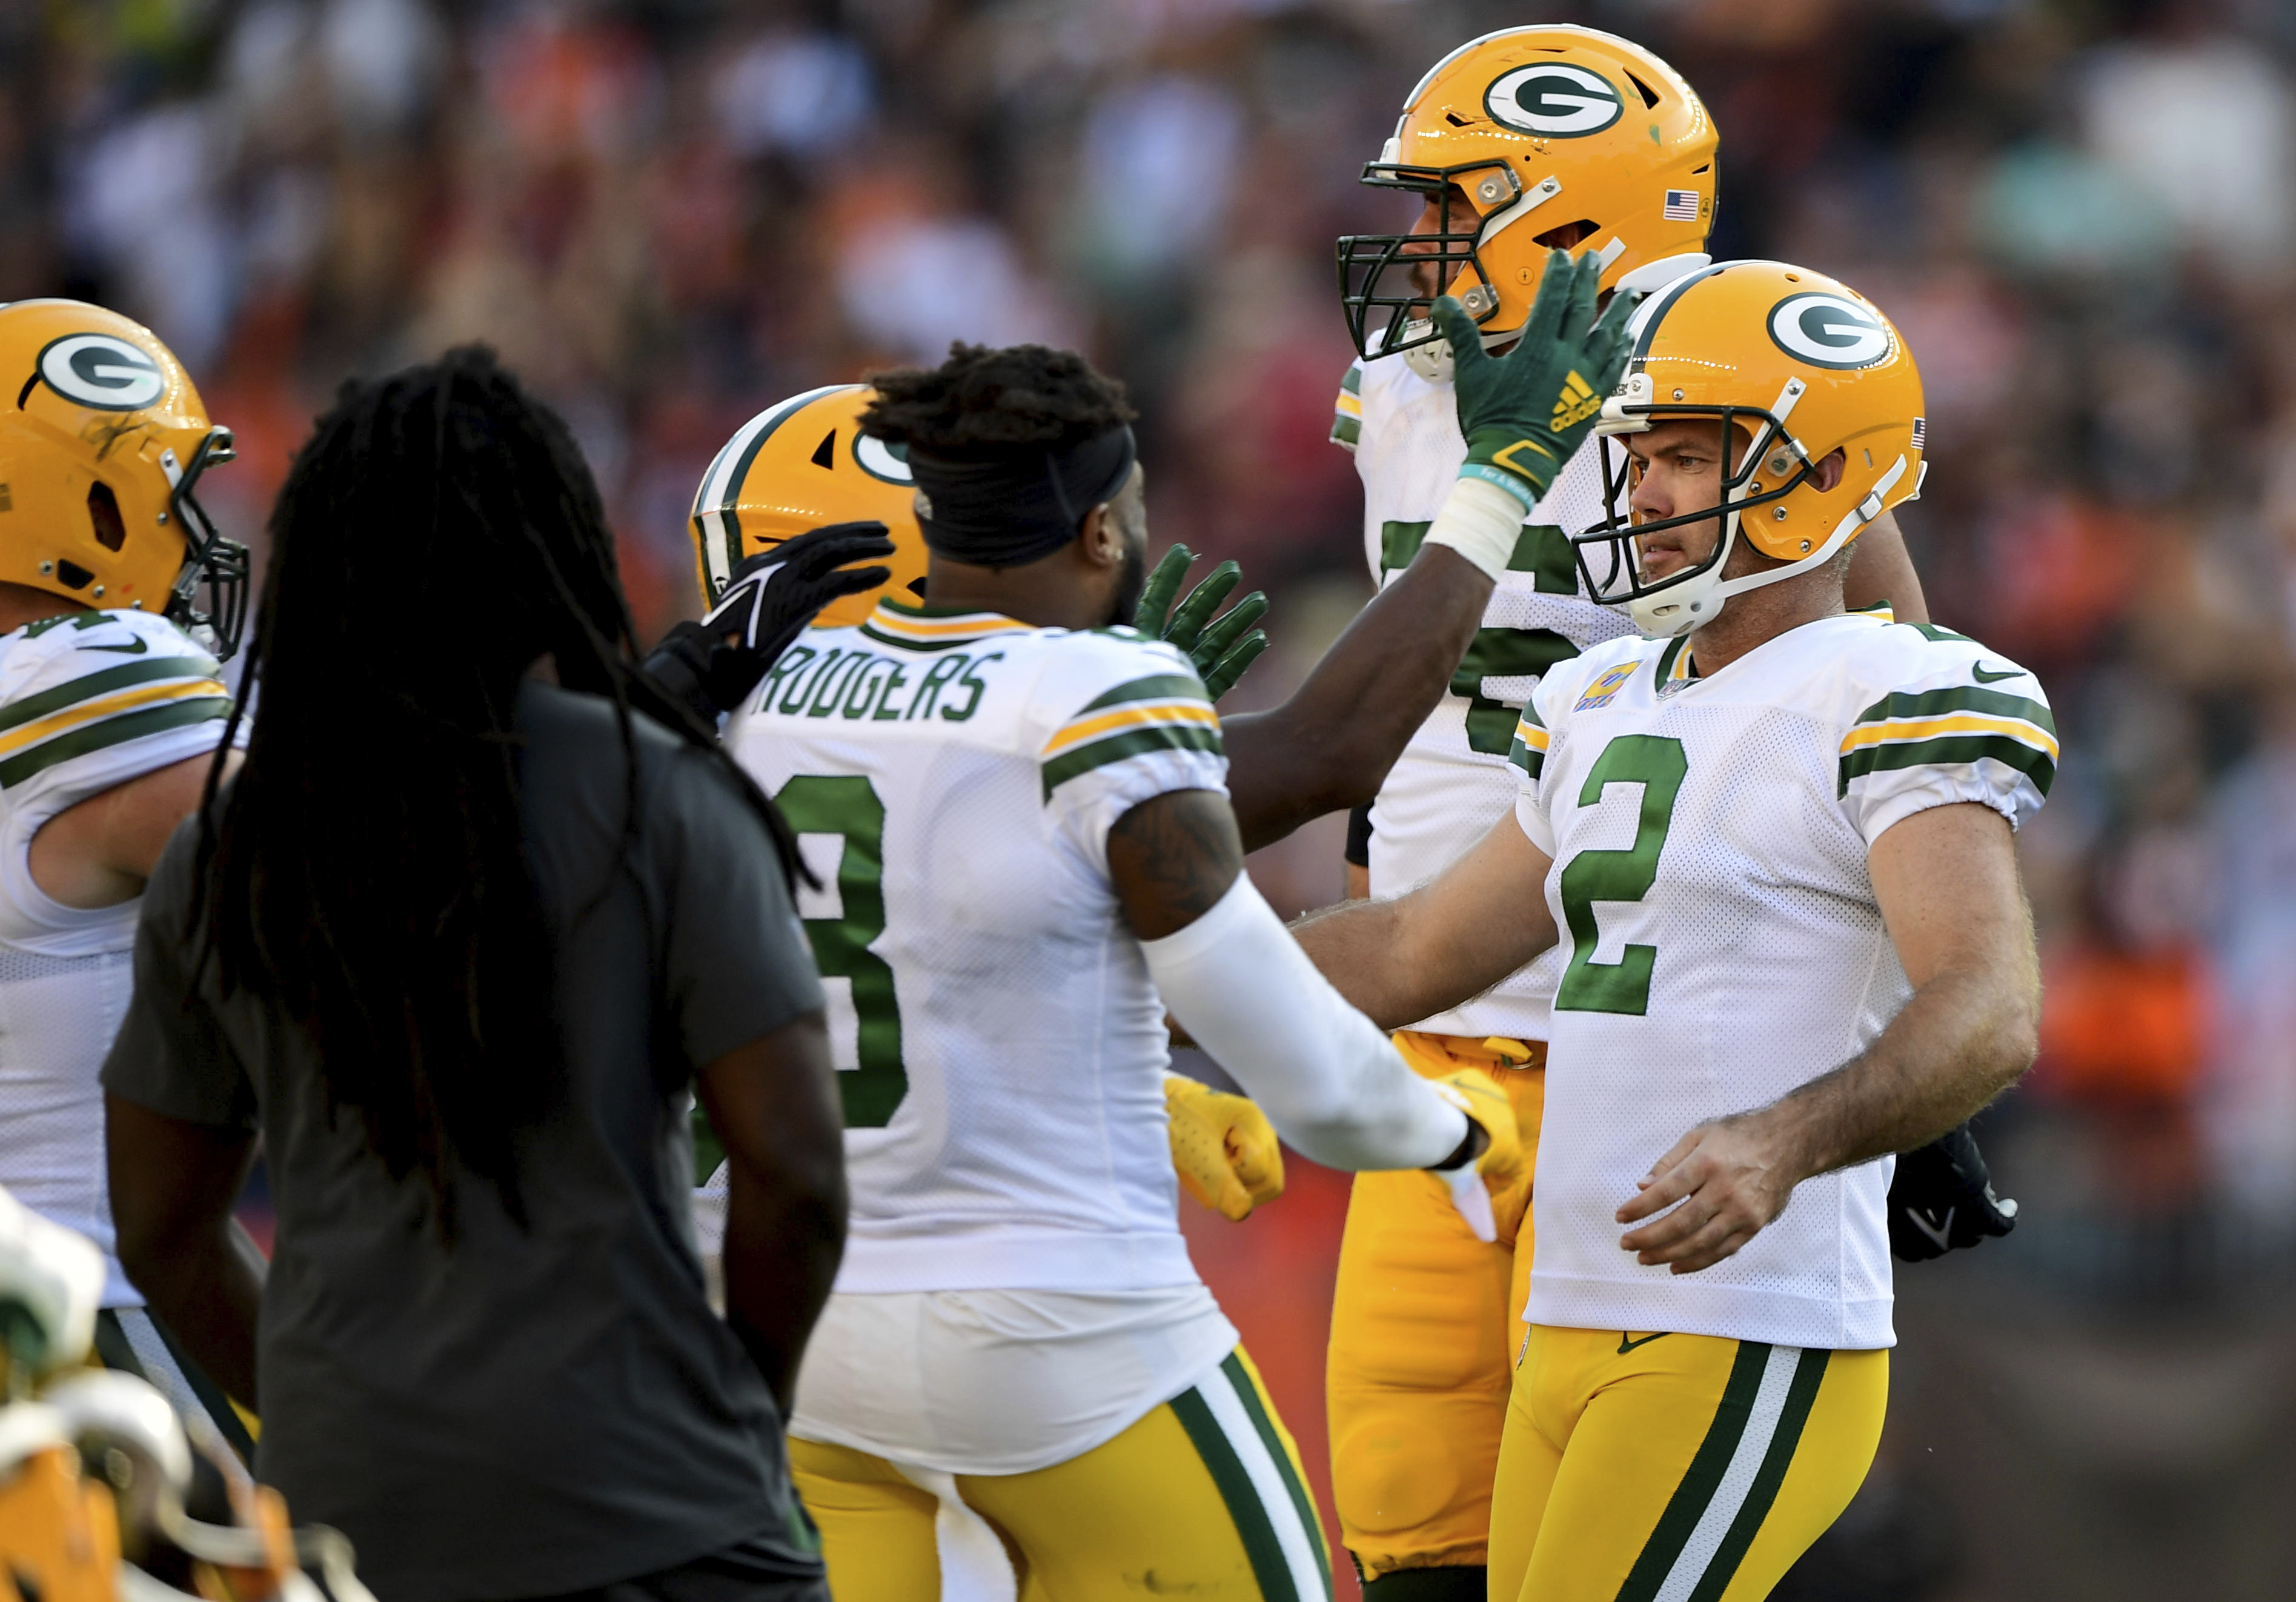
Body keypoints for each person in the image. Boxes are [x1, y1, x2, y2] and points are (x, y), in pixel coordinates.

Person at [714, 307, 1644, 1599]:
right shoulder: (1094, 690)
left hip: (807, 1336)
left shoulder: (746, 703)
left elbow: (924, 958)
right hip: (1058, 1328)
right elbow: (1276, 1018)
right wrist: (1440, 1126)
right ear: (1101, 526)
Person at [1322, 28, 2002, 1594]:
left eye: (1454, 205)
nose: (1415, 243)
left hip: (1623, 1032)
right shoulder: (1405, 382)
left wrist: (1912, 1054)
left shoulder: (1719, 376)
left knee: (1627, 1523)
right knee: (1419, 1539)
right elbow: (1405, 706)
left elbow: (1876, 667)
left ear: (1572, 219)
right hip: (1430, 1023)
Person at [101, 348, 851, 1602]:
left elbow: (165, 1230)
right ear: (552, 549)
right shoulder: (661, 800)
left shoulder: (231, 844)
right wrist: (741, 1406)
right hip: (656, 1504)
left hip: (350, 1517)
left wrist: (321, 1416)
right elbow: (796, 1172)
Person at [0, 299, 257, 1489]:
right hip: (92, 1348)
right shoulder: (96, 679)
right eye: (168, 494)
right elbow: (355, 858)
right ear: (83, 500)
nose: (192, 531)